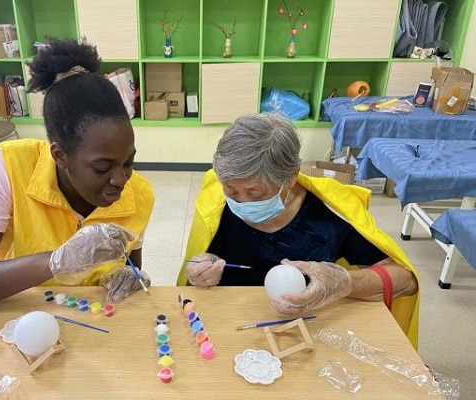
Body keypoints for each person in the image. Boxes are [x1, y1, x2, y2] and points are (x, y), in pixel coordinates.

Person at [0, 38, 154, 306]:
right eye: (102, 167)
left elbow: (130, 267)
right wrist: (55, 262)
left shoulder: (140, 193)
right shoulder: (8, 167)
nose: (120, 180)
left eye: (128, 163)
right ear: (60, 155)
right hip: (23, 316)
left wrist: (126, 277)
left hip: (94, 320)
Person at [177, 113, 420, 348]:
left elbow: (406, 280)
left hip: (307, 331)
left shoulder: (331, 211)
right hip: (225, 327)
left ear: (291, 178)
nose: (241, 201)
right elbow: (199, 263)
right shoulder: (215, 199)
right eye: (231, 189)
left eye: (254, 192)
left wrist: (344, 282)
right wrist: (201, 268)